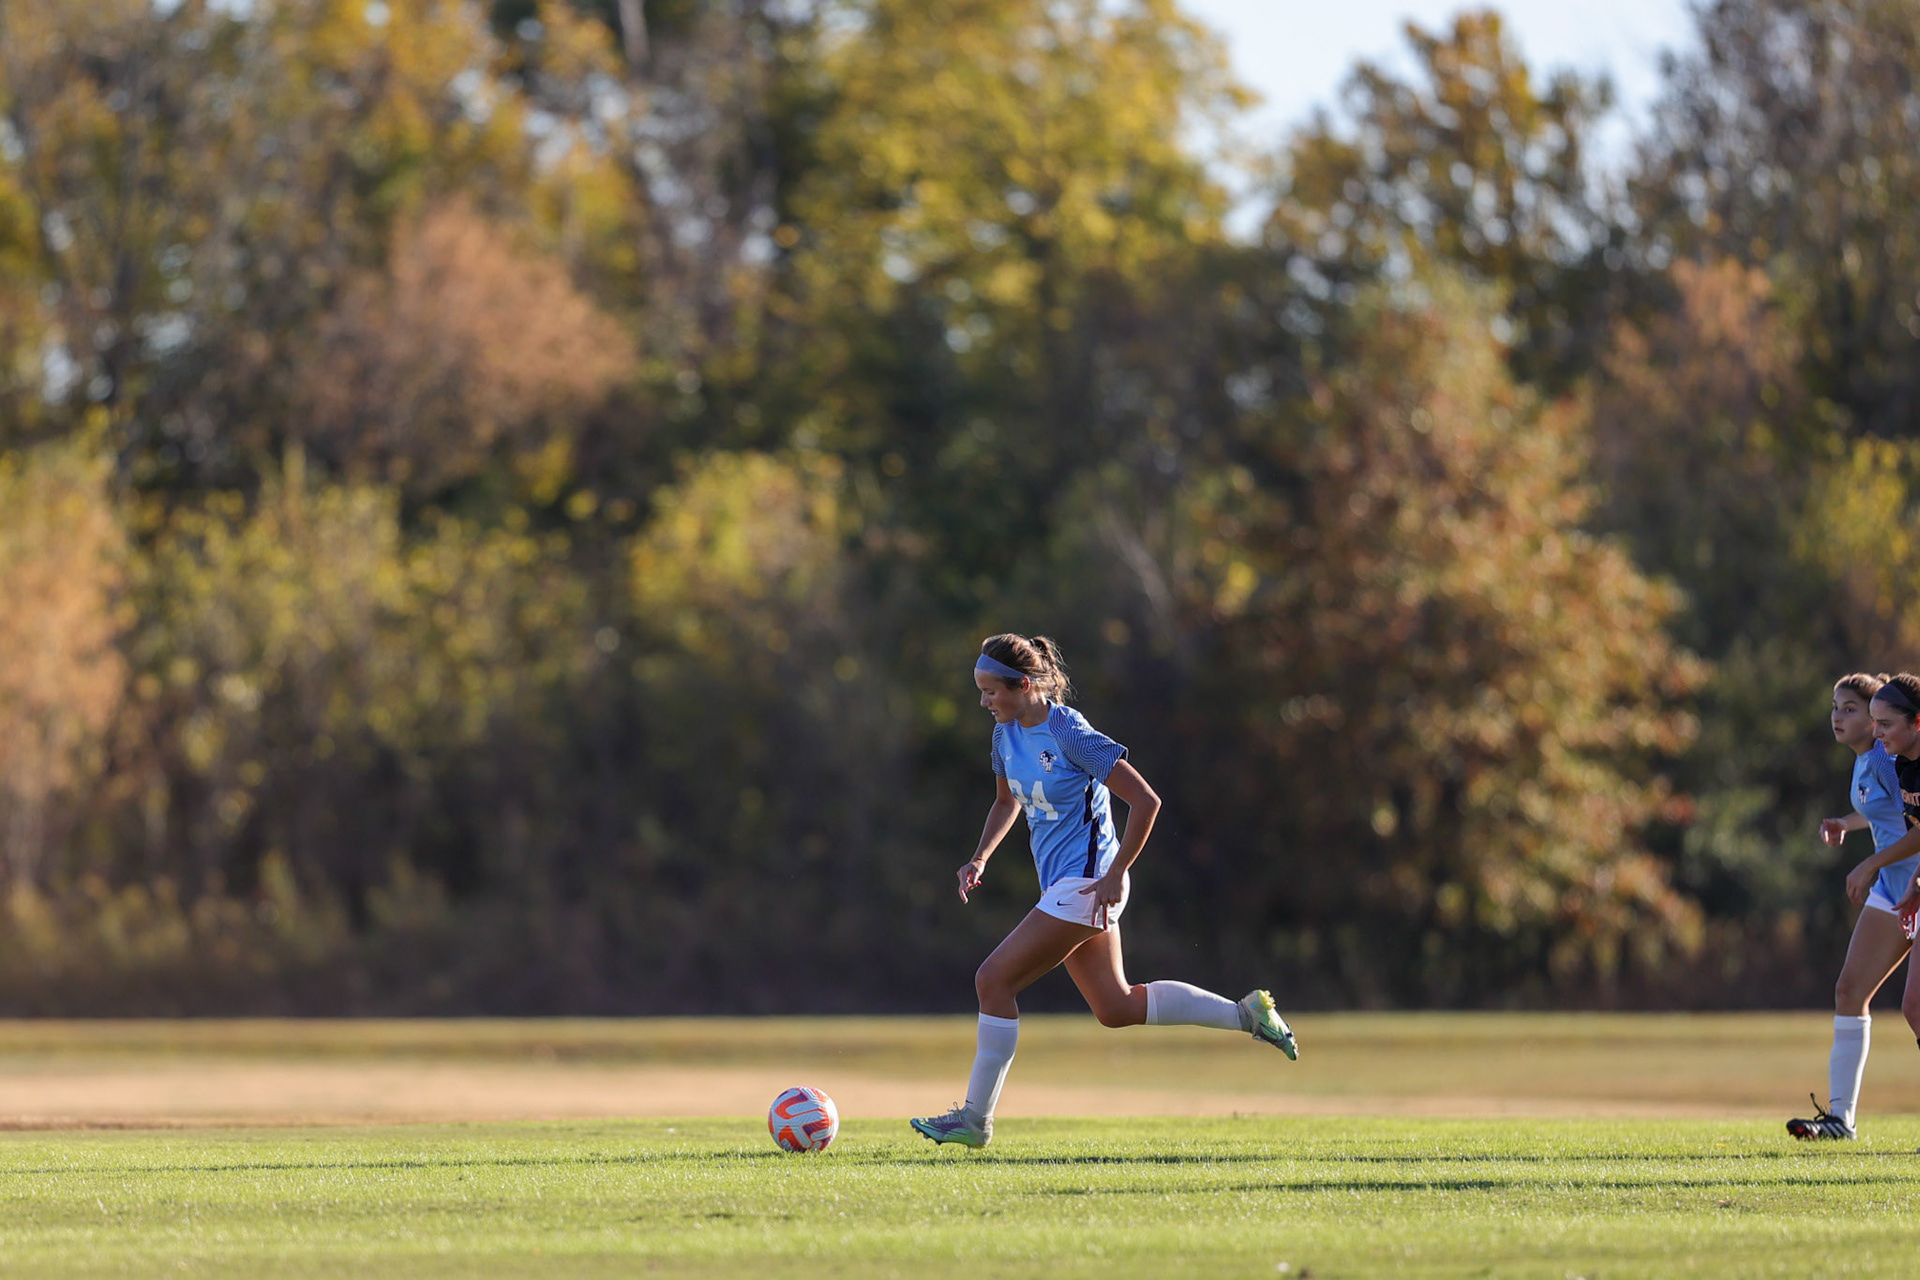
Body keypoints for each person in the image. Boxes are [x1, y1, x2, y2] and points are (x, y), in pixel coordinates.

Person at [909, 633, 1297, 1150]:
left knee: (992, 981)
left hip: (1090, 882)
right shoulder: (1004, 735)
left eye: (990, 691)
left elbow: (1146, 801)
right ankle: (1248, 1014)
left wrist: (1116, 874)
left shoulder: (1069, 731)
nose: (983, 702)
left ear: (1024, 684)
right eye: (979, 691)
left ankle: (975, 1120)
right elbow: (1006, 802)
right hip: (1066, 886)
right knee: (1114, 1007)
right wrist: (979, 857)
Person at [1787, 673, 1917, 1140]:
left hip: (1913, 884)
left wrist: (1871, 866)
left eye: (1850, 709)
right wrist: (1846, 822)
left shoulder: (1887, 757)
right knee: (1849, 990)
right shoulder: (1870, 761)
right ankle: (1841, 1121)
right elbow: (1887, 812)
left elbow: (1913, 821)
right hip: (1895, 884)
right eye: (1835, 708)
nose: (1838, 717)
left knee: (1916, 1006)